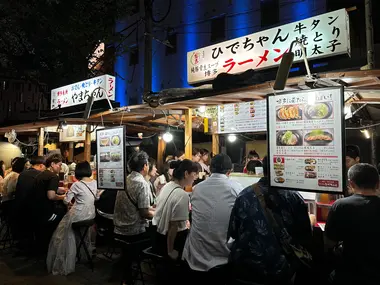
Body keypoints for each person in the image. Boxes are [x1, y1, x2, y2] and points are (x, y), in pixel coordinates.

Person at [228, 156, 312, 285]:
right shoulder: (293, 197)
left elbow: (233, 231)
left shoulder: (244, 194)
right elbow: (305, 236)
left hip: (246, 267)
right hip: (280, 269)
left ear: (263, 169)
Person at [183, 154, 243, 283]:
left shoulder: (197, 189)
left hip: (195, 257)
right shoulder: (237, 188)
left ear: (210, 169)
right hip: (223, 259)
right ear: (229, 171)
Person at [325, 163, 380, 285]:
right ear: (378, 184)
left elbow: (329, 242)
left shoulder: (341, 205)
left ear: (351, 184)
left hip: (349, 274)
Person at [47, 161, 99, 275]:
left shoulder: (77, 184)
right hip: (91, 215)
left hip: (79, 215)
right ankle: (80, 253)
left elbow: (66, 201)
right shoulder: (95, 182)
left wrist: (69, 199)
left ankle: (67, 258)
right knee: (76, 230)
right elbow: (97, 197)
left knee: (62, 231)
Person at [113, 151, 155, 284]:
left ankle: (128, 269)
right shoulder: (142, 183)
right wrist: (159, 213)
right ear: (145, 166)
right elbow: (144, 213)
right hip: (133, 232)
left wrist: (152, 210)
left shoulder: (126, 179)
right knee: (157, 237)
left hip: (118, 229)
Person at [152, 159, 198, 259]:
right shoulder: (182, 195)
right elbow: (173, 226)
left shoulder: (167, 186)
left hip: (157, 237)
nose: (195, 178)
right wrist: (170, 251)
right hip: (171, 241)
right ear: (186, 174)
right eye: (194, 174)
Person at [33, 153, 66, 255]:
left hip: (35, 211)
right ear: (52, 164)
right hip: (46, 214)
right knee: (65, 215)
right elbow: (51, 196)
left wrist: (57, 189)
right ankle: (57, 247)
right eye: (59, 165)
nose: (60, 167)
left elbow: (44, 190)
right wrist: (62, 197)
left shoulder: (41, 174)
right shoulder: (53, 177)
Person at [14, 156, 46, 246]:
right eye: (44, 166)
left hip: (19, 210)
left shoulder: (22, 174)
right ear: (40, 165)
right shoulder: (40, 175)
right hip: (33, 211)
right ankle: (43, 244)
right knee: (54, 214)